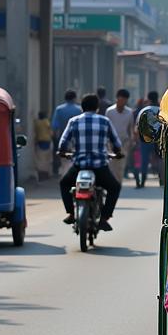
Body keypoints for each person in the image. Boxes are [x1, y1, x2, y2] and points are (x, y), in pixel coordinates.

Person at [58, 93, 122, 231]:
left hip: (79, 166)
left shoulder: (74, 121)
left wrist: (62, 152)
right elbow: (116, 143)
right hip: (100, 167)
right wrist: (117, 153)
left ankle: (70, 213)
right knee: (114, 187)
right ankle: (104, 218)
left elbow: (62, 144)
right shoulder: (104, 121)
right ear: (97, 108)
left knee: (64, 183)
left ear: (81, 107)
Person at [105, 89, 135, 185]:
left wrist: (132, 140)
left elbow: (131, 128)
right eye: (121, 99)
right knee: (112, 164)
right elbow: (106, 128)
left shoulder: (129, 112)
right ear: (117, 99)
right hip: (111, 142)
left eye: (124, 100)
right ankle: (112, 183)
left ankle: (118, 183)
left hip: (124, 142)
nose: (122, 102)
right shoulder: (109, 111)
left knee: (121, 165)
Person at [51, 90, 82, 176]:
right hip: (77, 141)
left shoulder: (59, 109)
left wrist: (54, 139)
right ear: (74, 98)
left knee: (64, 162)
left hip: (63, 139)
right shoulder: (79, 110)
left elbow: (54, 126)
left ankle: (66, 177)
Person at [33, 111, 52, 181]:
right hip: (47, 140)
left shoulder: (37, 123)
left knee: (40, 158)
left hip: (39, 141)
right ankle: (46, 173)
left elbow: (35, 132)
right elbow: (50, 130)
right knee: (47, 158)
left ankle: (41, 174)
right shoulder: (46, 121)